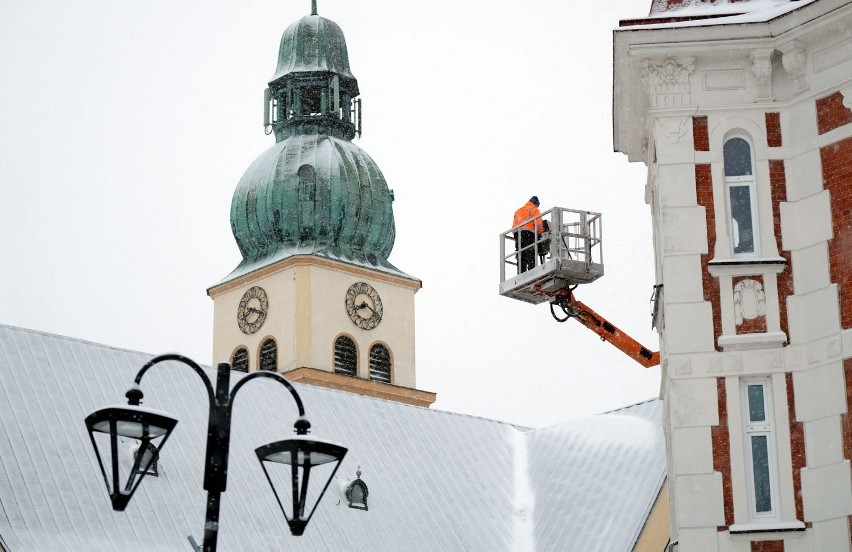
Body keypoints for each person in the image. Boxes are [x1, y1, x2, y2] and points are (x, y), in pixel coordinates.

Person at [513, 196, 543, 272]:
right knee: (531, 253)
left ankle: (520, 272)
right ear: (536, 204)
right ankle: (532, 272)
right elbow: (539, 224)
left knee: (521, 254)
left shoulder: (518, 211)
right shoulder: (534, 209)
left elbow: (513, 226)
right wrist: (540, 233)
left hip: (518, 234)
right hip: (528, 233)